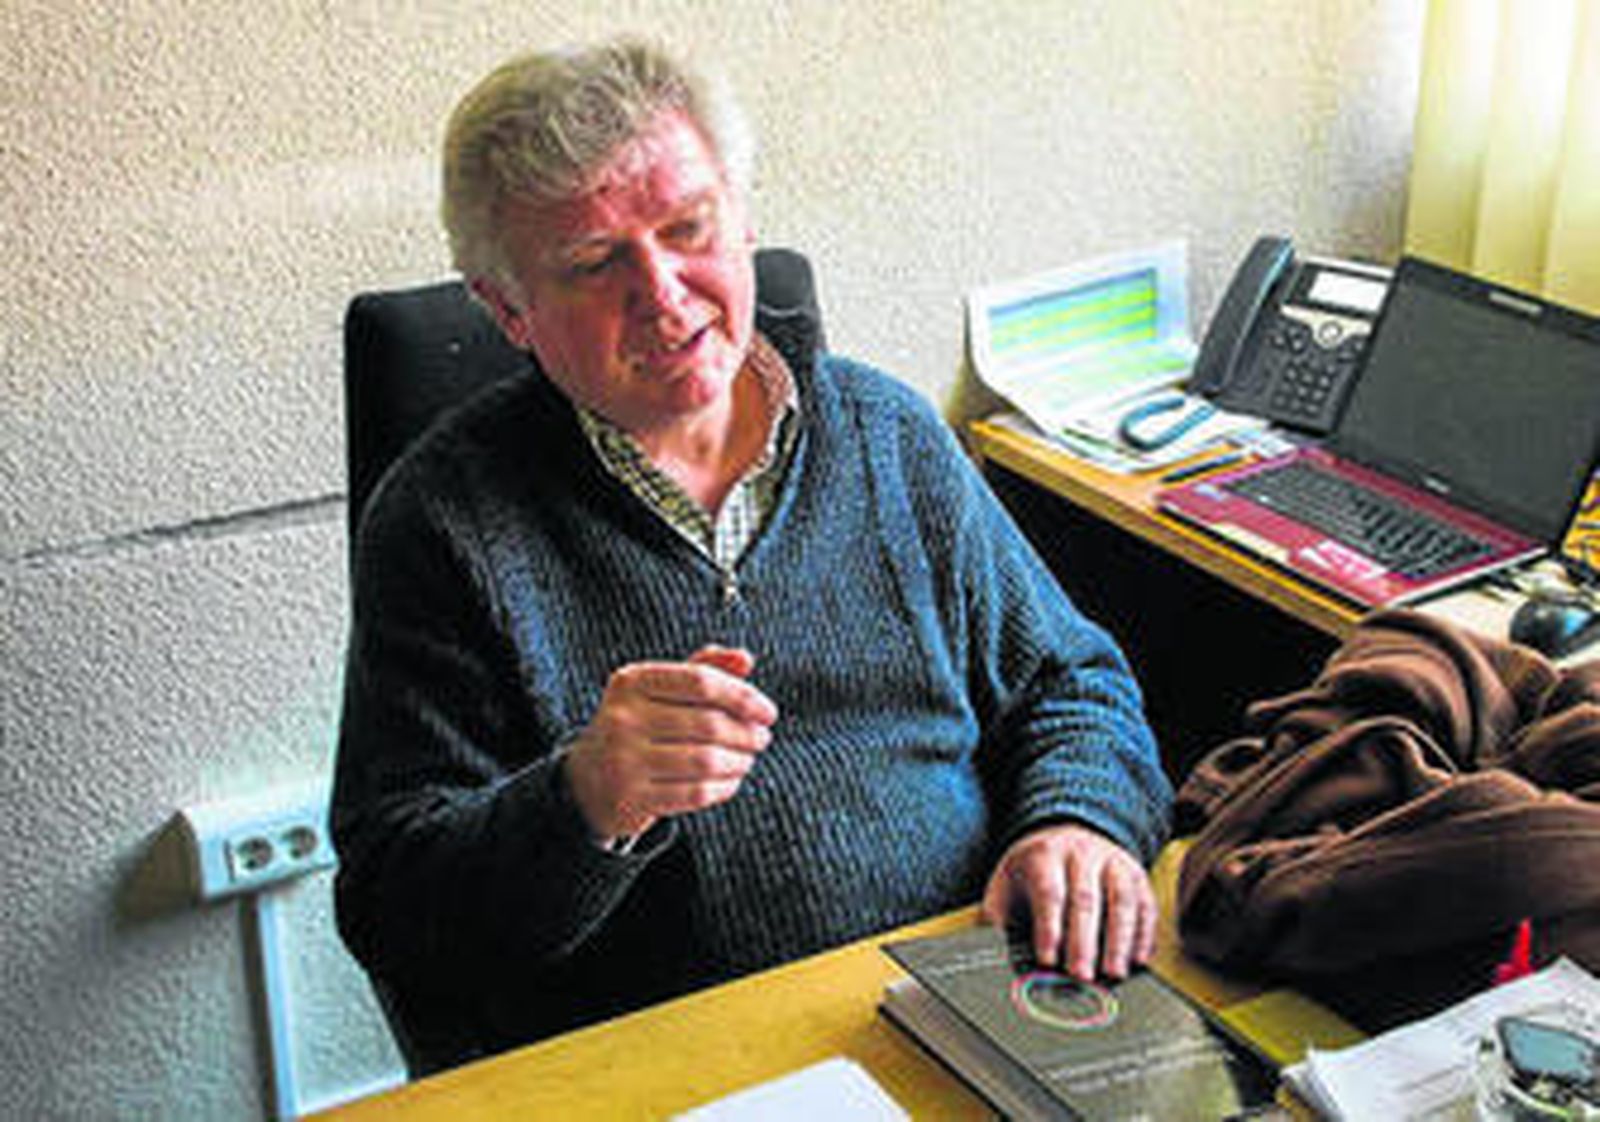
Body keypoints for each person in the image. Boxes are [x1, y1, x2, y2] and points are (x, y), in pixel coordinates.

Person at [331, 35, 1173, 1076]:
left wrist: (1077, 823)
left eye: (689, 229)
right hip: (682, 1066)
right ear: (509, 313)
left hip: (974, 999)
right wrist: (584, 800)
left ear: (743, 220)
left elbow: (1072, 681)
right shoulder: (445, 524)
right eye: (596, 264)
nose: (666, 295)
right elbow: (391, 901)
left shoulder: (886, 434)